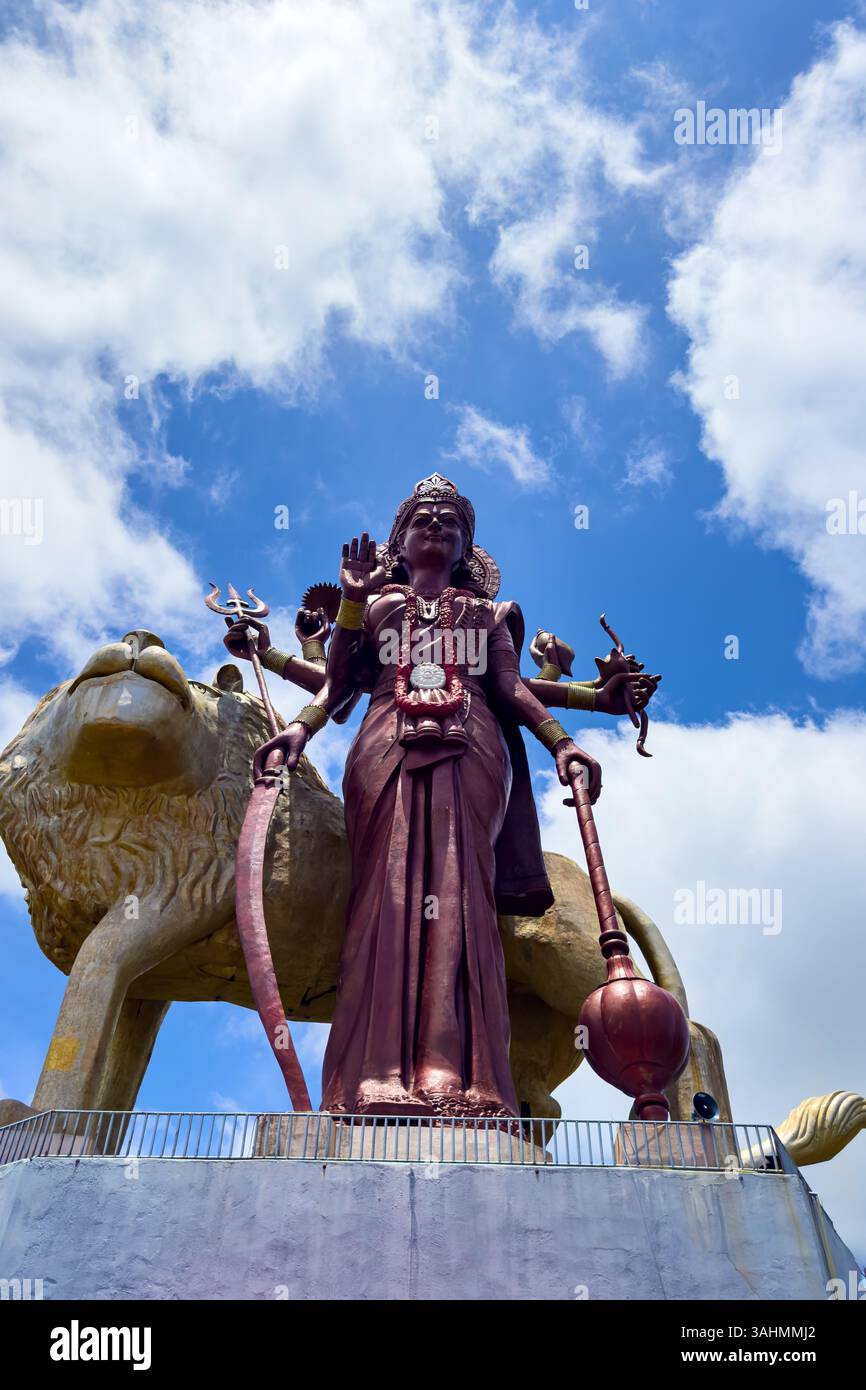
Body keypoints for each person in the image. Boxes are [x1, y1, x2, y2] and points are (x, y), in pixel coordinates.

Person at [231, 474, 656, 1118]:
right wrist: (297, 728)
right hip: (385, 743)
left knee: (461, 897)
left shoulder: (488, 616)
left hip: (472, 746)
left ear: (466, 549)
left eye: (449, 522)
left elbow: (514, 688)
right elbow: (339, 688)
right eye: (422, 519)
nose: (436, 525)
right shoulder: (374, 608)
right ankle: (371, 1076)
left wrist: (562, 742)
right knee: (386, 896)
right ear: (398, 544)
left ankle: (456, 1073)